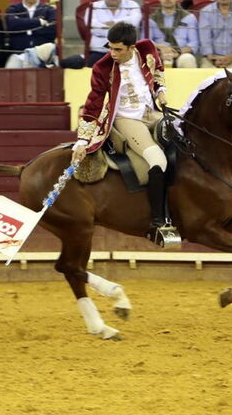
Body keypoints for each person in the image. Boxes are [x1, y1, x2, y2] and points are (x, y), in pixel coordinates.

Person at [72, 21, 175, 247]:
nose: (112, 53)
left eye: (118, 49)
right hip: (126, 119)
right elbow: (94, 103)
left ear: (132, 47)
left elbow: (158, 70)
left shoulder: (147, 48)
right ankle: (158, 222)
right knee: (157, 158)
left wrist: (161, 91)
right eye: (110, 48)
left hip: (151, 112)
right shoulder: (103, 67)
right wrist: (82, 139)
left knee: (183, 137)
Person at [4, 0, 58, 69]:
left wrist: (22, 24)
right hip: (19, 55)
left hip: (42, 57)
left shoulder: (49, 10)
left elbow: (52, 30)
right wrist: (40, 23)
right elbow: (12, 25)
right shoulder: (13, 9)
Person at [86, 0, 142, 66]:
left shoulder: (132, 5)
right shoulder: (93, 7)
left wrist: (111, 24)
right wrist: (122, 30)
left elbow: (134, 23)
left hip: (126, 54)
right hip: (99, 52)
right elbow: (94, 29)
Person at [146, 0, 199, 68]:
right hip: (159, 54)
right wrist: (160, 49)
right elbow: (146, 42)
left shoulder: (189, 17)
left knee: (188, 59)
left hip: (181, 54)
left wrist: (177, 52)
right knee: (150, 60)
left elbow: (194, 44)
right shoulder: (151, 19)